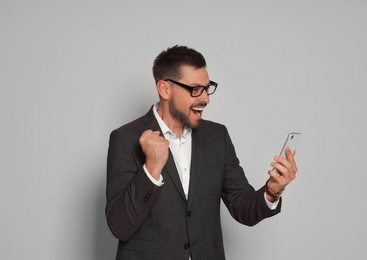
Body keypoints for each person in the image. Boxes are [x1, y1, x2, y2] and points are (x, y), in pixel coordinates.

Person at [105, 45, 298, 260]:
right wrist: (151, 169)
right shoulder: (126, 138)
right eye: (195, 89)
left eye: (207, 88)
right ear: (165, 89)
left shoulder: (217, 137)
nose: (205, 98)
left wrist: (271, 192)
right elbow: (120, 226)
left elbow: (243, 208)